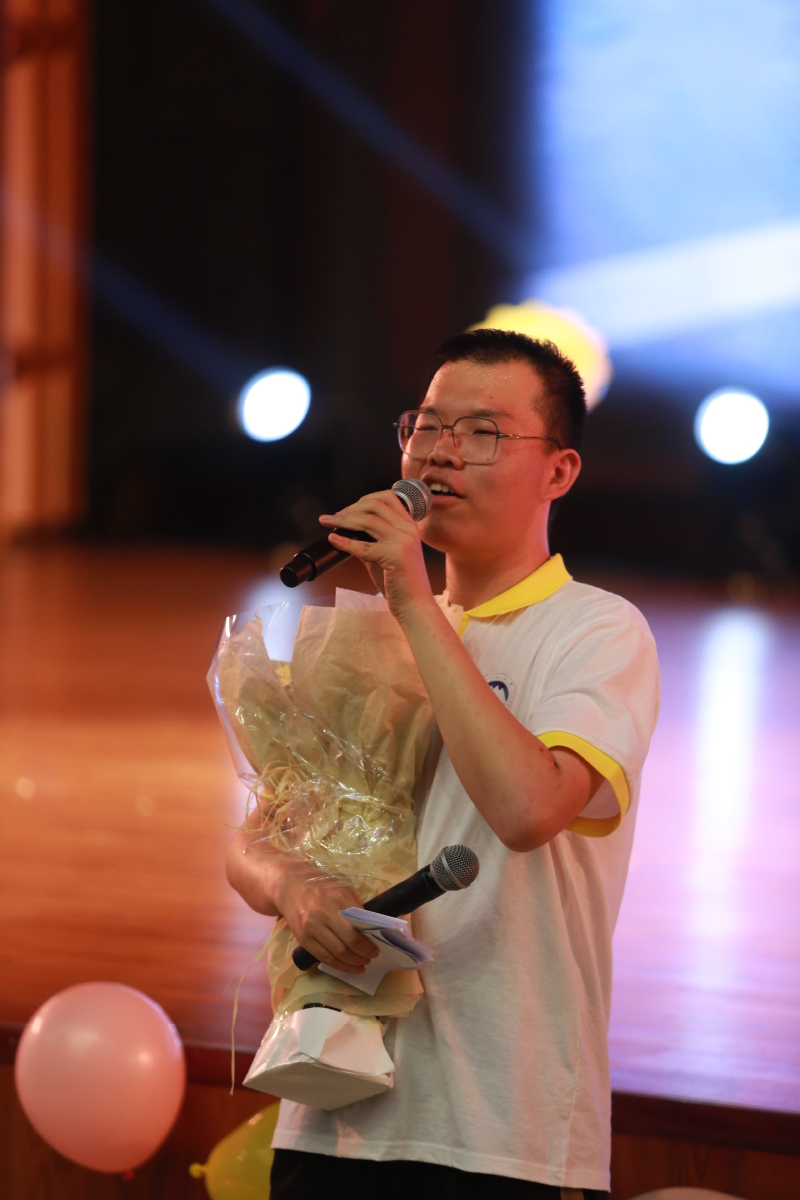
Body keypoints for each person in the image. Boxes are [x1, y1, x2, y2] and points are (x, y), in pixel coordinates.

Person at [225, 329, 660, 1200]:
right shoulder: (373, 637)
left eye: (484, 432)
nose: (443, 452)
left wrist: (414, 602)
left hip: (499, 1133)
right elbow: (258, 836)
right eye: (425, 426)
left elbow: (528, 809)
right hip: (334, 1105)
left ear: (560, 471)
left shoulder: (596, 630)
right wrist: (290, 886)